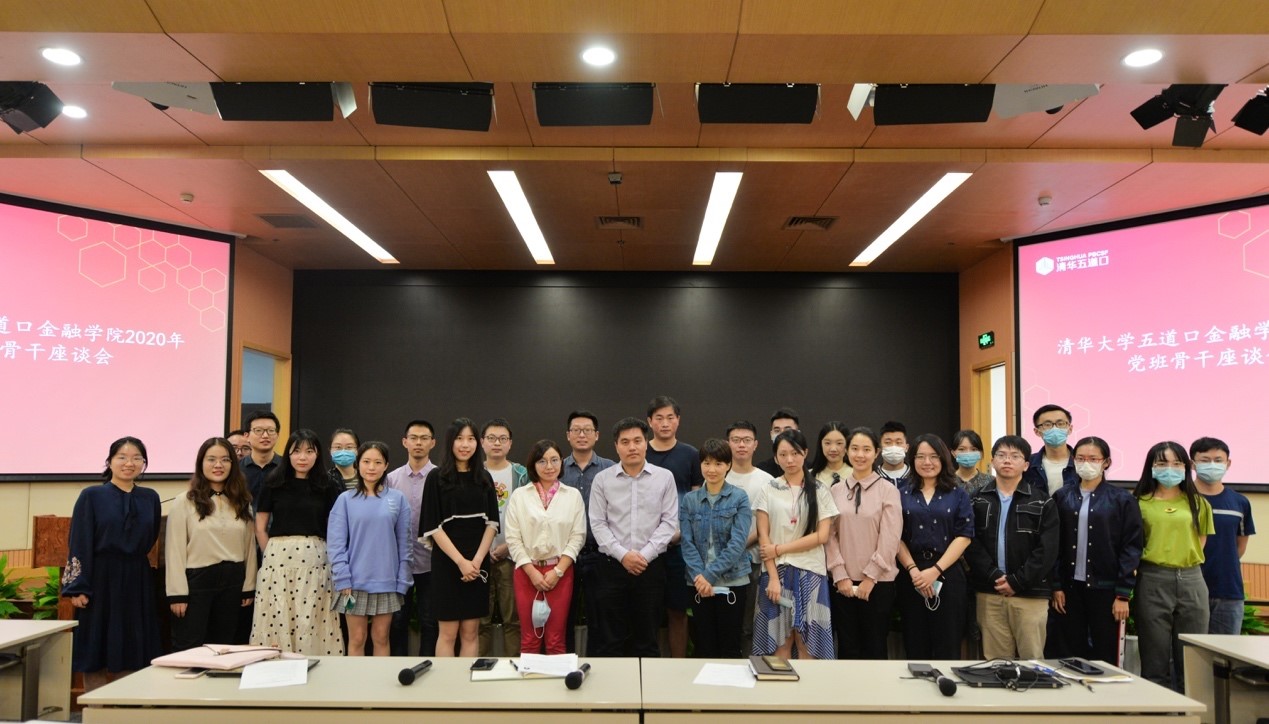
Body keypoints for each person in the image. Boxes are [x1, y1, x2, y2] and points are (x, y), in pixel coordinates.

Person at [63, 437, 161, 691]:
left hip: (136, 578)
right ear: (109, 462)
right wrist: (78, 587)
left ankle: (123, 706)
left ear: (144, 463)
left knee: (132, 645)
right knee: (96, 647)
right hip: (100, 579)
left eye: (137, 458)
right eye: (122, 457)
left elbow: (151, 537)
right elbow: (80, 541)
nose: (129, 463)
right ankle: (96, 707)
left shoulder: (150, 498)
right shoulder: (91, 495)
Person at [588, 418, 679, 657]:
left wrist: (644, 556)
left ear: (646, 443)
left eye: (637, 441)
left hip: (650, 568)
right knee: (610, 640)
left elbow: (669, 523)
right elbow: (598, 523)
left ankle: (646, 683)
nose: (632, 447)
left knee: (647, 639)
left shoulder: (664, 477)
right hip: (611, 567)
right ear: (616, 446)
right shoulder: (603, 479)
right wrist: (623, 556)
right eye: (625, 442)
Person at [964, 435, 1059, 661]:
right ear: (992, 461)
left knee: (1032, 661)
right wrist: (994, 576)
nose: (1007, 460)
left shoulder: (1042, 501)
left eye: (1015, 456)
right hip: (990, 591)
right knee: (995, 663)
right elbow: (970, 542)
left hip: (1030, 594)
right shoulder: (976, 500)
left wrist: (1017, 581)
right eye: (1002, 455)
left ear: (1026, 465)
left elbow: (1047, 550)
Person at [250, 429, 344, 655]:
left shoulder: (327, 485)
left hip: (315, 559)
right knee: (278, 614)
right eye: (296, 451)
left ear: (317, 455)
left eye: (309, 452)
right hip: (278, 560)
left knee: (311, 616)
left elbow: (336, 527)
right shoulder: (273, 483)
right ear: (288, 454)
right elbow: (260, 527)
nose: (303, 457)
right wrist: (271, 554)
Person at [1051, 436, 1142, 664]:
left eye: (1093, 459)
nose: (1086, 463)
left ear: (1106, 462)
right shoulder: (1062, 496)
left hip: (1106, 589)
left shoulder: (1122, 499)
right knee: (1070, 651)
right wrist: (1056, 585)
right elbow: (1054, 544)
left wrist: (1122, 594)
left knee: (1105, 651)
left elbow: (1131, 547)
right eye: (1081, 458)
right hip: (1070, 589)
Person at [1134, 441, 1215, 691]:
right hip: (1152, 579)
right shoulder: (1138, 502)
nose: (1169, 468)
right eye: (1162, 463)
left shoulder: (1198, 502)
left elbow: (1200, 541)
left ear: (1185, 467)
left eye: (1176, 463)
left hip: (1192, 580)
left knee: (1192, 658)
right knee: (1154, 657)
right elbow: (1132, 544)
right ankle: (1158, 709)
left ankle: (1189, 709)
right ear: (1151, 467)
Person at [753, 429, 839, 660]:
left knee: (808, 644)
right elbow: (763, 537)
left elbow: (822, 536)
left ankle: (807, 685)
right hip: (775, 573)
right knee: (779, 643)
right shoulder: (768, 489)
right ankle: (778, 686)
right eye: (783, 455)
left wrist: (780, 549)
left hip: (811, 572)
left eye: (795, 453)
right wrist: (772, 577)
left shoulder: (820, 490)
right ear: (776, 457)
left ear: (805, 453)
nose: (789, 460)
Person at [165, 437, 256, 650]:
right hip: (197, 582)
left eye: (225, 459)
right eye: (211, 459)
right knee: (190, 646)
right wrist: (177, 594)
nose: (218, 465)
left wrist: (248, 587)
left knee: (224, 647)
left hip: (233, 581)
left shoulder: (242, 501)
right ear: (201, 463)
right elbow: (174, 550)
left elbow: (249, 548)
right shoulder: (184, 501)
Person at [420, 417, 500, 657]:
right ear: (450, 442)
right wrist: (461, 562)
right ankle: (447, 681)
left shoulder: (484, 477)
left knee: (470, 632)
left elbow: (492, 524)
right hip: (447, 563)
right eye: (459, 439)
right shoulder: (436, 477)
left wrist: (476, 562)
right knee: (448, 633)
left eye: (470, 439)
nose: (465, 444)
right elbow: (433, 527)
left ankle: (468, 681)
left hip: (477, 563)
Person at [328, 441, 413, 656]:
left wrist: (403, 580)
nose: (372, 467)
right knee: (357, 638)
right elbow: (336, 543)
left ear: (386, 465)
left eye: (377, 462)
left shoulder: (397, 499)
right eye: (366, 461)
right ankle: (356, 679)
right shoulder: (345, 500)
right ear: (358, 464)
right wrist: (342, 577)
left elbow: (405, 543)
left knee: (381, 637)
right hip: (353, 583)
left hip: (387, 581)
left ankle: (380, 679)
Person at [824, 426, 902, 660]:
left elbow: (890, 537)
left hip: (878, 582)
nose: (860, 455)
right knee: (847, 648)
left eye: (866, 449)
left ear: (876, 453)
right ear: (847, 451)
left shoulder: (888, 490)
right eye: (855, 449)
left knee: (875, 647)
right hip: (843, 583)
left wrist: (870, 577)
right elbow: (829, 535)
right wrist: (840, 575)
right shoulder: (836, 490)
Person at [895, 434, 974, 660]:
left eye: (933, 456)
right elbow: (895, 536)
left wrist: (935, 570)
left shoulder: (958, 493)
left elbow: (964, 536)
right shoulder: (901, 492)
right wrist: (913, 570)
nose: (927, 462)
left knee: (948, 644)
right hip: (911, 573)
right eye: (920, 457)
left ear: (944, 459)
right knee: (914, 642)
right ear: (912, 459)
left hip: (948, 571)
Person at [505, 440, 586, 655]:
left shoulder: (572, 496)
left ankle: (556, 678)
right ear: (533, 465)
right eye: (542, 461)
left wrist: (558, 571)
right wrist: (532, 572)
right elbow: (513, 539)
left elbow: (577, 537)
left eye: (554, 460)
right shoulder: (520, 496)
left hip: (560, 572)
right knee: (530, 638)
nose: (549, 466)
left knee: (556, 639)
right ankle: (530, 678)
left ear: (561, 463)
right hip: (527, 572)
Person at [680, 439, 753, 658]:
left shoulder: (739, 497)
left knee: (730, 646)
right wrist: (700, 577)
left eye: (718, 464)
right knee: (703, 646)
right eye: (707, 463)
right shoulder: (690, 500)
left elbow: (738, 543)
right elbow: (687, 542)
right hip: (698, 583)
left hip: (732, 581)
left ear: (728, 465)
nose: (712, 469)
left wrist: (709, 575)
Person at [644, 395, 702, 659]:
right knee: (646, 612)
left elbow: (696, 503)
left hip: (679, 547)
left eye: (670, 417)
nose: (665, 423)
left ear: (678, 420)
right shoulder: (639, 452)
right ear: (650, 422)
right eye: (659, 418)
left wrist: (680, 534)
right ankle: (647, 668)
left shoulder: (691, 455)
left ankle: (678, 667)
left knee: (678, 611)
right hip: (644, 549)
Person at [560, 410, 615, 655]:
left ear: (597, 435)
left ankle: (597, 666)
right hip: (565, 556)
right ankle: (565, 664)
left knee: (600, 618)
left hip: (600, 554)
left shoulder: (610, 469)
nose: (582, 435)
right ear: (568, 435)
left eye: (587, 430)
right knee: (563, 617)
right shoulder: (557, 468)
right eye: (576, 430)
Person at [1190, 437, 1257, 635]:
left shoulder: (1239, 502)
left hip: (1228, 591)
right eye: (1205, 460)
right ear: (1193, 464)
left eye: (1218, 460)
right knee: (1184, 651)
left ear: (1228, 463)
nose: (1212, 465)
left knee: (1223, 651)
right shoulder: (1182, 499)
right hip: (1187, 590)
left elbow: (1239, 547)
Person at [386, 419, 439, 655]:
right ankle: (398, 668)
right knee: (397, 622)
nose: (418, 443)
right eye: (414, 438)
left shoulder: (440, 477)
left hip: (432, 562)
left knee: (430, 622)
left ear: (433, 443)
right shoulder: (391, 479)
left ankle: (429, 667)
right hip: (399, 563)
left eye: (424, 438)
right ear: (404, 442)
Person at [724, 420, 773, 655]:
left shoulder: (767, 480)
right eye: (736, 440)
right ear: (728, 444)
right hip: (722, 563)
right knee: (728, 623)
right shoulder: (717, 475)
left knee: (750, 624)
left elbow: (770, 522)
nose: (741, 445)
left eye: (746, 440)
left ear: (756, 444)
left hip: (754, 561)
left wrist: (741, 545)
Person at [479, 418, 527, 657]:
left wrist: (508, 546)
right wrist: (481, 550)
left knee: (513, 619)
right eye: (491, 438)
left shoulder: (521, 474)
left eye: (502, 439)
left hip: (512, 556)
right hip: (478, 558)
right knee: (480, 620)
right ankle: (479, 667)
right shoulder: (472, 472)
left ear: (510, 443)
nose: (497, 443)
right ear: (482, 442)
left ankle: (513, 668)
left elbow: (531, 516)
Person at [1024, 404, 1077, 496]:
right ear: (1037, 431)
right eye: (1047, 425)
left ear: (1070, 429)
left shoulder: (1082, 462)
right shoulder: (1027, 465)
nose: (1055, 429)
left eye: (1060, 424)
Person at [241, 411, 281, 505]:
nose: (265, 435)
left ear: (277, 435)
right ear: (246, 436)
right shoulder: (236, 469)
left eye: (271, 430)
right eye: (258, 430)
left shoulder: (288, 467)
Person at [756, 407, 799, 477]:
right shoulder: (761, 471)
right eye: (777, 431)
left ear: (798, 433)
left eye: (787, 430)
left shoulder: (810, 470)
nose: (782, 434)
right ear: (771, 435)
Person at [951, 429, 993, 495]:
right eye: (961, 449)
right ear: (953, 453)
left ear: (980, 453)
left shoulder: (991, 482)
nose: (968, 453)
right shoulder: (946, 482)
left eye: (973, 449)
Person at [876, 421, 910, 486]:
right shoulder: (872, 477)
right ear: (880, 447)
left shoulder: (916, 476)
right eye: (888, 442)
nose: (893, 447)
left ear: (907, 447)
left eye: (898, 442)